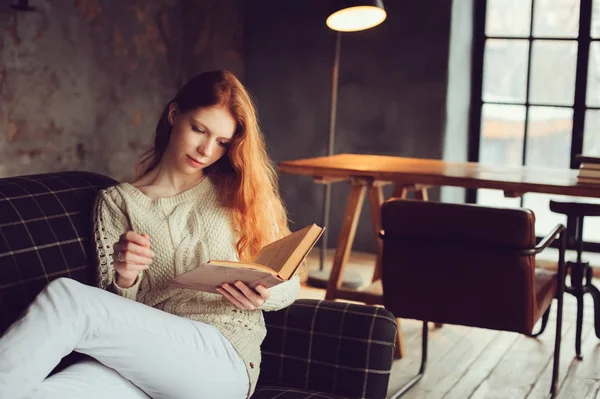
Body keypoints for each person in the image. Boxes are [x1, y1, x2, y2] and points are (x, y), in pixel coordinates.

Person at [0, 70, 300, 399]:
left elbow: (291, 277)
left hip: (222, 359)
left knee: (70, 301)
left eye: (222, 142)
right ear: (174, 115)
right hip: (148, 360)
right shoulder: (118, 202)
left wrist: (266, 294)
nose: (205, 149)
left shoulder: (239, 190)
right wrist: (126, 276)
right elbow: (116, 314)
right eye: (199, 129)